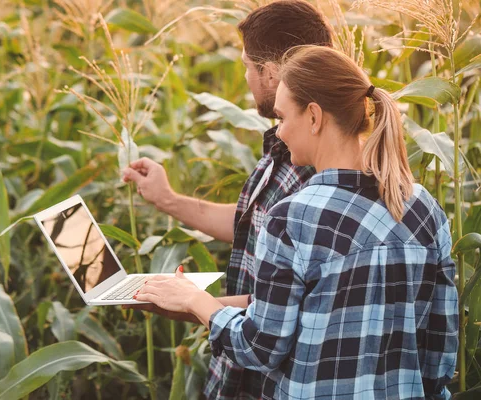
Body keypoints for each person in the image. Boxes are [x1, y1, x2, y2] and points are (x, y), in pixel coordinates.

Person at [134, 45, 458, 399]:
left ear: (315, 117)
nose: (281, 132)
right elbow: (439, 356)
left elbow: (259, 348)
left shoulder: (293, 218)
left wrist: (195, 300)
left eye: (283, 117)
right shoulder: (425, 208)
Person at [123, 1, 333, 398]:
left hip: (268, 376)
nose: (245, 78)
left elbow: (295, 301)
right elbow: (251, 227)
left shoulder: (316, 165)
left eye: (247, 67)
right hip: (239, 361)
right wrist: (167, 200)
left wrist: (193, 304)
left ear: (270, 73)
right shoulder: (285, 144)